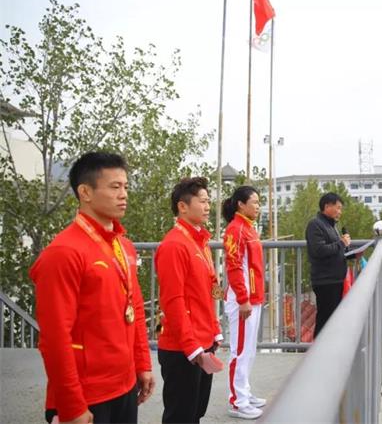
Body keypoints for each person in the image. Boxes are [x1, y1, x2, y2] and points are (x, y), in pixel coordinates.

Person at [29, 152, 154, 424]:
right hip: (87, 393)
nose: (124, 195)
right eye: (115, 187)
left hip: (125, 385)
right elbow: (54, 337)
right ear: (85, 192)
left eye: (126, 186)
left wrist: (142, 364)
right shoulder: (63, 252)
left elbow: (134, 308)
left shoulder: (124, 246)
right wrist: (72, 406)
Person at [155, 178, 224, 423]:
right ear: (182, 207)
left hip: (203, 341)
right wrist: (191, 346)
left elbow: (210, 289)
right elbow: (173, 301)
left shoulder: (200, 242)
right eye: (202, 201)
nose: (207, 206)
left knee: (195, 412)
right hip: (182, 347)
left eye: (208, 201)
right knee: (180, 415)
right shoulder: (174, 245)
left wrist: (214, 330)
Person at [223, 186, 266, 419]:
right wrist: (242, 298)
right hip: (243, 300)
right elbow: (234, 266)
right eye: (255, 202)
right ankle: (237, 401)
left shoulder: (248, 228)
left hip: (253, 297)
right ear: (241, 204)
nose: (258, 206)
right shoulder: (235, 229)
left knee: (248, 350)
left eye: (259, 202)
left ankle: (244, 392)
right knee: (239, 350)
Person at [305, 193, 353, 338]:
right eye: (338, 208)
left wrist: (352, 253)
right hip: (325, 280)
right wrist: (341, 243)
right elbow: (319, 250)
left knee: (333, 319)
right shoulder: (315, 225)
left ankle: (330, 348)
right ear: (327, 206)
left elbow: (335, 250)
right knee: (325, 319)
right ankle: (319, 349)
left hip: (335, 280)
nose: (340, 212)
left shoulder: (331, 226)